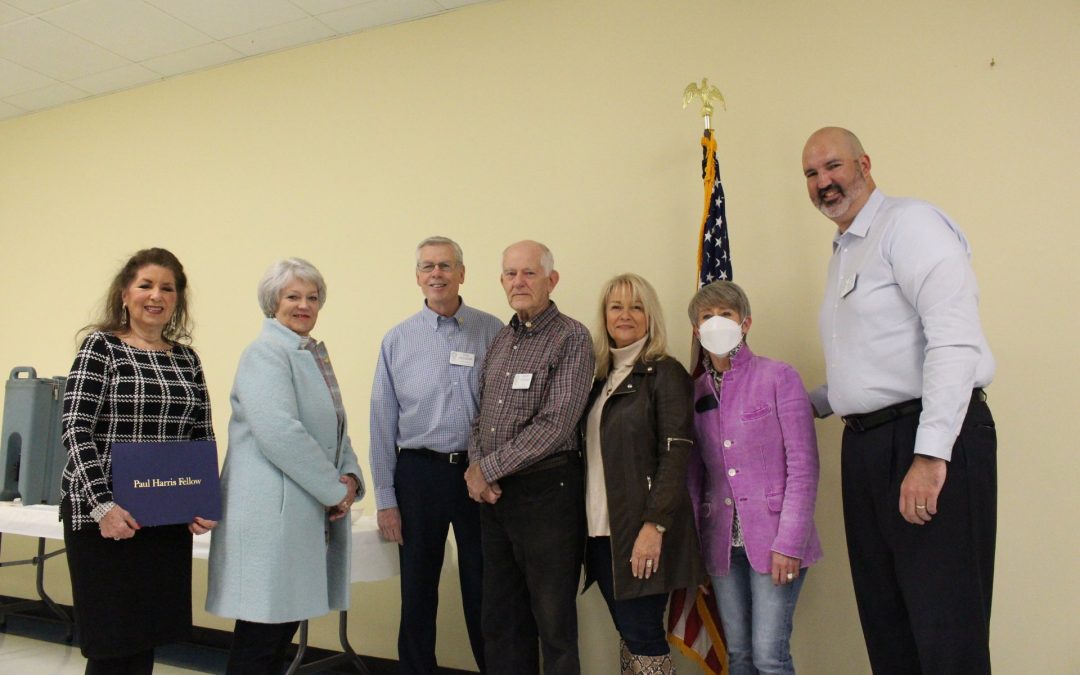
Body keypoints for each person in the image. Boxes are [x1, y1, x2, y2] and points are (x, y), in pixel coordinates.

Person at [801, 127, 996, 674]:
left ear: (864, 163)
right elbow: (875, 363)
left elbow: (954, 340)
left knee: (945, 630)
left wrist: (932, 455)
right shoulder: (846, 251)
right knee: (889, 628)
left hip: (926, 438)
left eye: (833, 166)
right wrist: (807, 401)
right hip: (867, 447)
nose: (824, 182)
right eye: (812, 174)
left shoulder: (910, 225)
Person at [60, 247, 216, 675]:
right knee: (112, 644)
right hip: (105, 520)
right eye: (145, 285)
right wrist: (103, 506)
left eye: (167, 288)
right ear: (125, 294)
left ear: (177, 300)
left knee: (145, 639)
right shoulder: (101, 347)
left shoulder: (187, 359)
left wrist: (202, 501)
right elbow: (75, 429)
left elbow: (201, 435)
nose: (156, 295)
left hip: (162, 520)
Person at [206, 258, 364, 675]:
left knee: (277, 641)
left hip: (300, 514)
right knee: (260, 641)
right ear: (272, 302)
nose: (304, 305)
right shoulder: (265, 353)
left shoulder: (308, 354)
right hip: (270, 520)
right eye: (293, 296)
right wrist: (334, 491)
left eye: (312, 298)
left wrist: (350, 477)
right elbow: (280, 433)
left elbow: (335, 428)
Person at [369, 236, 502, 674]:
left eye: (445, 266)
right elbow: (381, 424)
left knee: (485, 588)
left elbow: (505, 410)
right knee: (418, 590)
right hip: (418, 475)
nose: (437, 274)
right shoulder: (397, 340)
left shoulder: (493, 331)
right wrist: (386, 499)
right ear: (418, 278)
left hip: (476, 474)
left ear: (462, 273)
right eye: (428, 267)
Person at [464, 240, 594, 675]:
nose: (518, 282)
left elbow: (556, 425)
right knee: (500, 620)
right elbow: (481, 416)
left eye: (529, 273)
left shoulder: (572, 337)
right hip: (496, 500)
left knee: (553, 622)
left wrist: (486, 470)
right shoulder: (502, 339)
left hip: (546, 494)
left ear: (551, 280)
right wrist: (476, 469)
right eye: (510, 274)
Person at [685, 280, 822, 675]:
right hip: (722, 545)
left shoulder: (779, 377)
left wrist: (790, 543)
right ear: (696, 330)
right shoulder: (695, 392)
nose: (716, 323)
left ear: (745, 323)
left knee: (769, 657)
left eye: (725, 314)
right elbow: (695, 478)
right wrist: (695, 550)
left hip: (777, 540)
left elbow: (803, 465)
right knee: (740, 655)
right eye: (707, 317)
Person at [581, 273, 703, 675]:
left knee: (643, 635)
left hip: (642, 533)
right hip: (599, 534)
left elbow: (676, 456)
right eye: (616, 306)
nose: (626, 315)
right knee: (630, 636)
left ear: (650, 315)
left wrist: (654, 527)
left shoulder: (664, 373)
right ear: (605, 315)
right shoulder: (597, 379)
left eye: (636, 306)